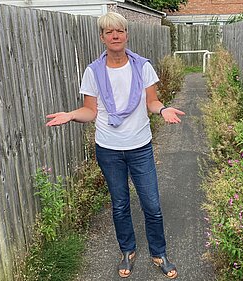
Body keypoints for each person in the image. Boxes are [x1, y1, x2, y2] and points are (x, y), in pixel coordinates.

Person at [45, 12, 183, 279]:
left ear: (126, 34)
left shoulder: (143, 67)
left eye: (119, 31)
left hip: (140, 146)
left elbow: (151, 102)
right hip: (108, 148)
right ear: (102, 37)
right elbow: (90, 110)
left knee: (152, 204)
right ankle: (127, 250)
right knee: (120, 203)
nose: (115, 36)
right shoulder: (93, 71)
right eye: (109, 32)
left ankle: (159, 252)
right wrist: (72, 115)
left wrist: (162, 109)